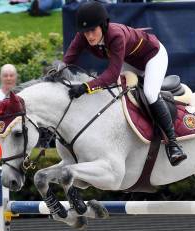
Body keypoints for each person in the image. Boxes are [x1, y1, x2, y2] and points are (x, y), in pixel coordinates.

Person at [62, 1, 187, 166]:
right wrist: (54, 73)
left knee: (150, 93)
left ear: (103, 25)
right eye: (85, 32)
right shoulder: (83, 37)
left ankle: (173, 144)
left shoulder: (115, 35)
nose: (89, 36)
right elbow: (67, 60)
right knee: (115, 93)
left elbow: (112, 75)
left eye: (92, 30)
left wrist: (86, 87)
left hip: (153, 56)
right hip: (130, 60)